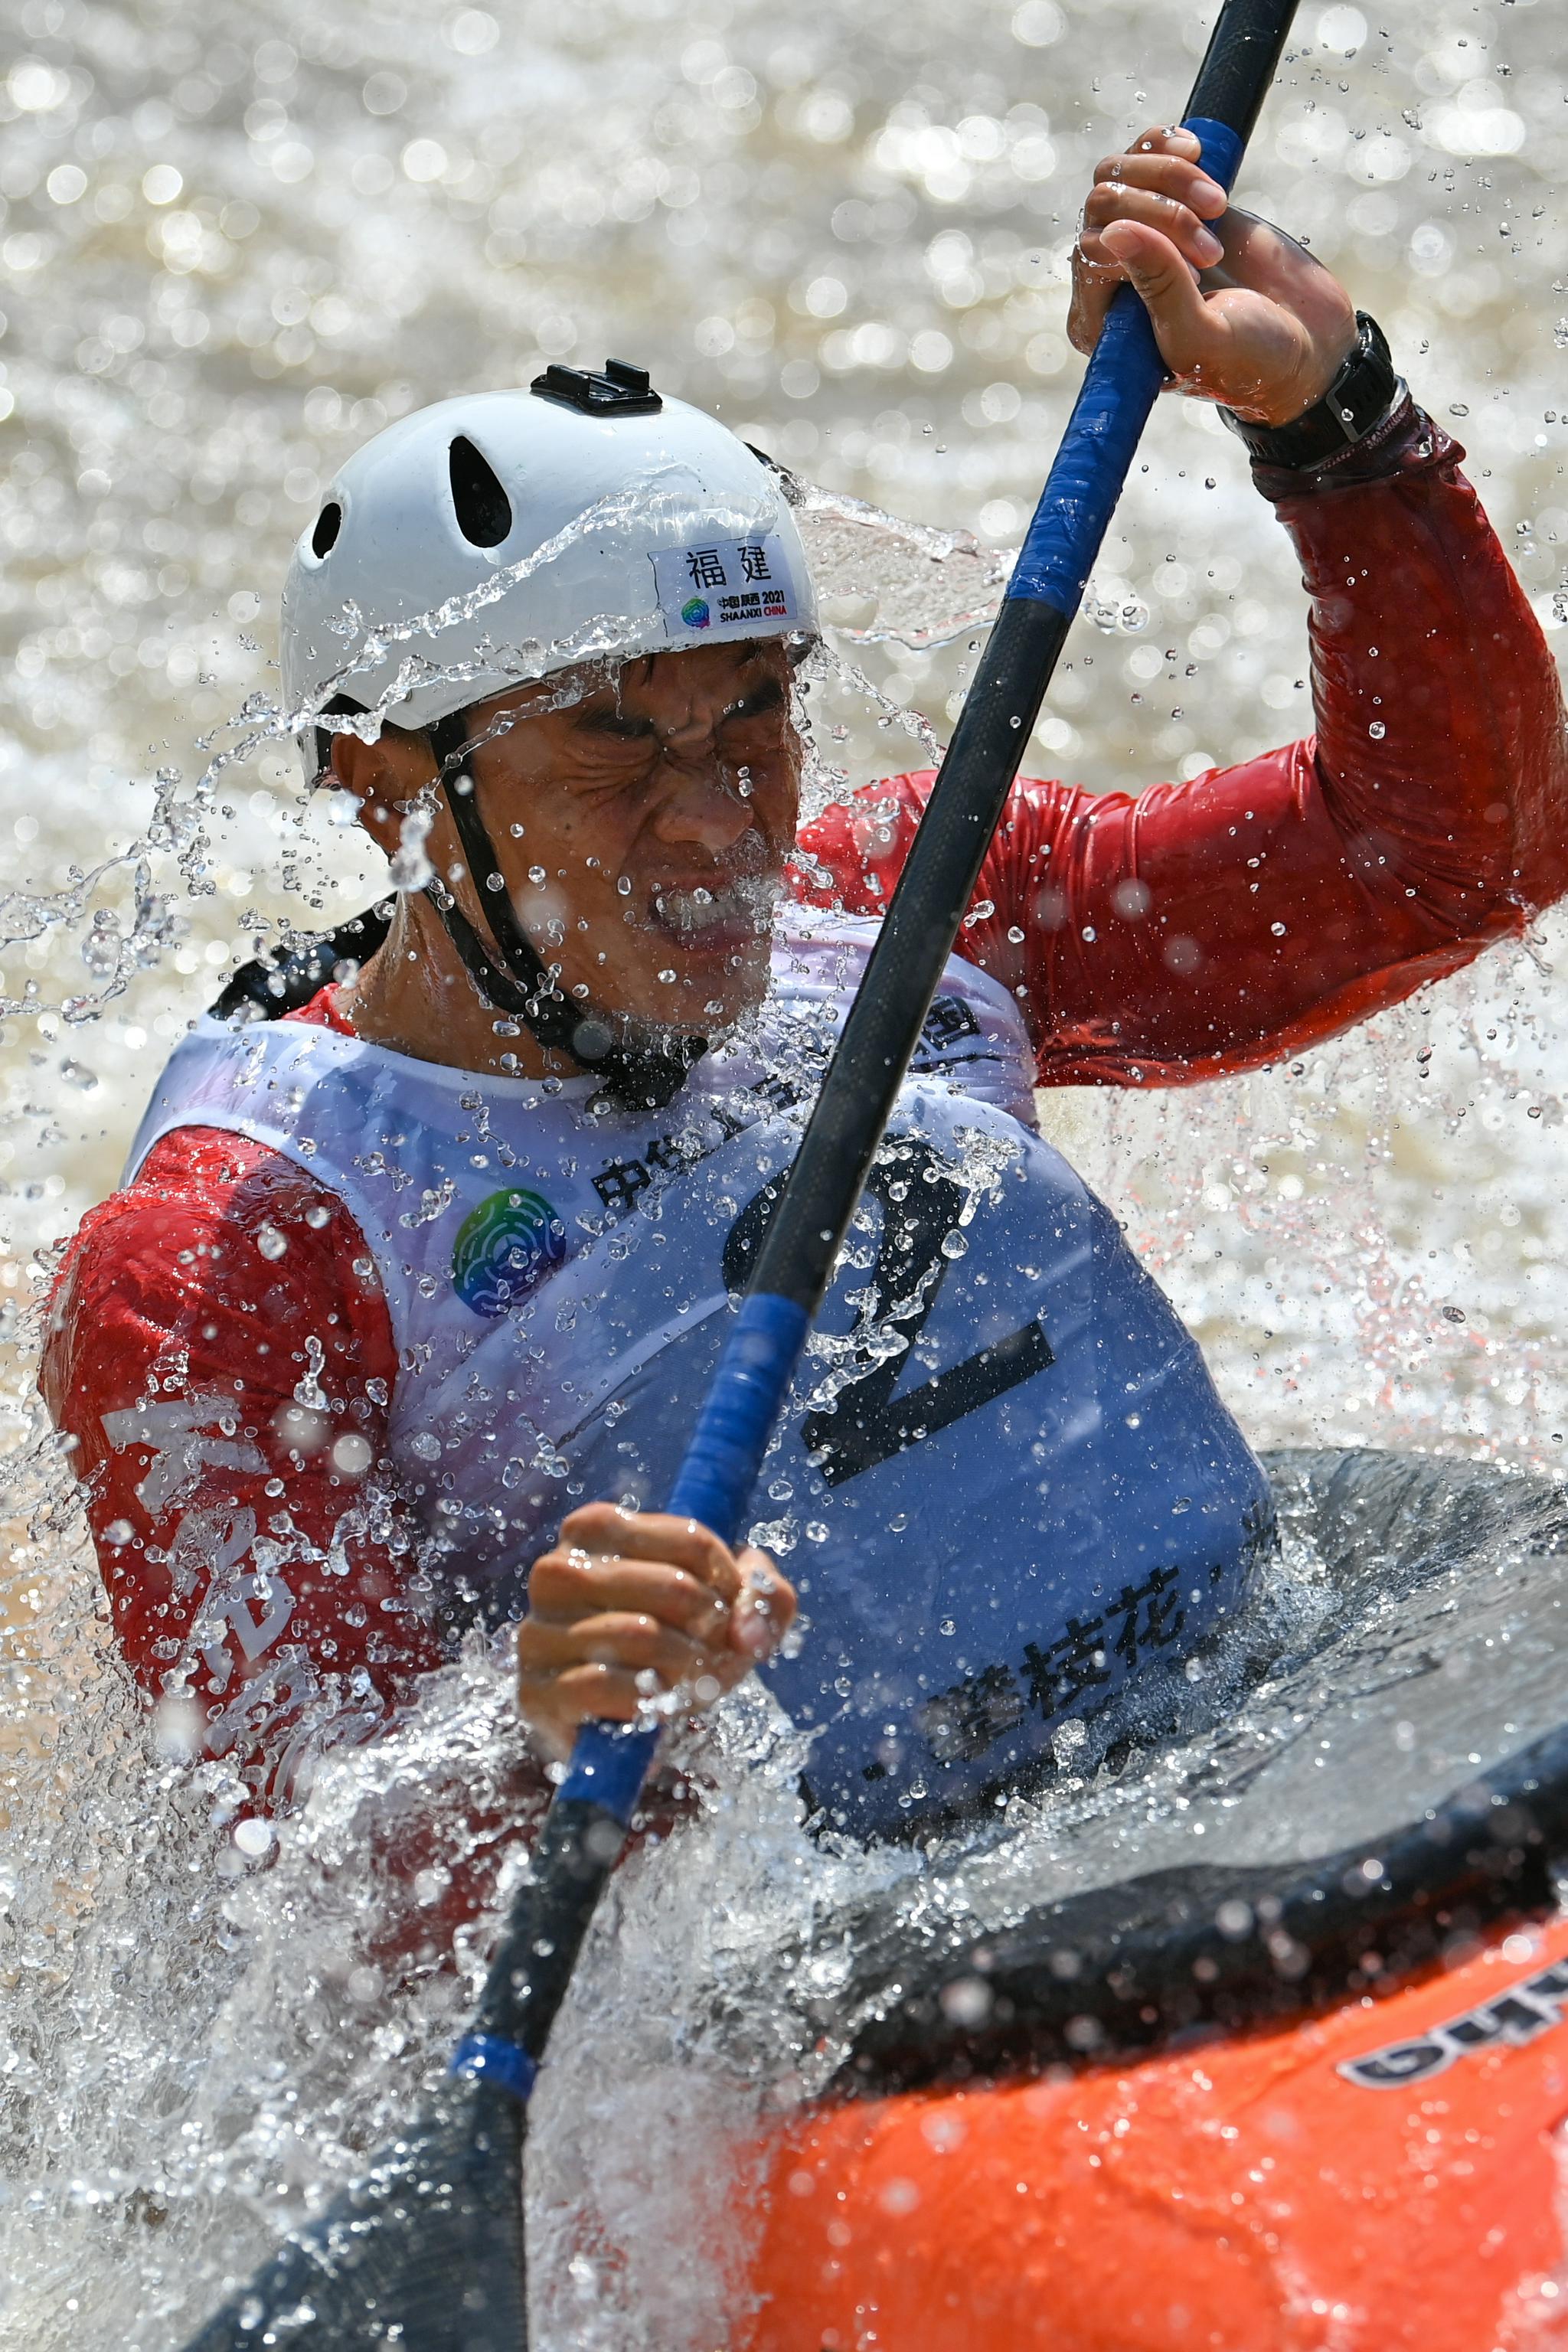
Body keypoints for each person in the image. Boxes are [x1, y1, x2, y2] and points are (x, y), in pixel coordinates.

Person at [41, 131, 1568, 1847]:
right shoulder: (237, 1256)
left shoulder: (921, 910)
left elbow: (1454, 855)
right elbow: (293, 1895)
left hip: (1266, 1746)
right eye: (618, 736)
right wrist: (539, 1745)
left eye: (752, 713)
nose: (717, 825)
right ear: (384, 779)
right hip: (884, 1972)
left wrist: (1337, 428)